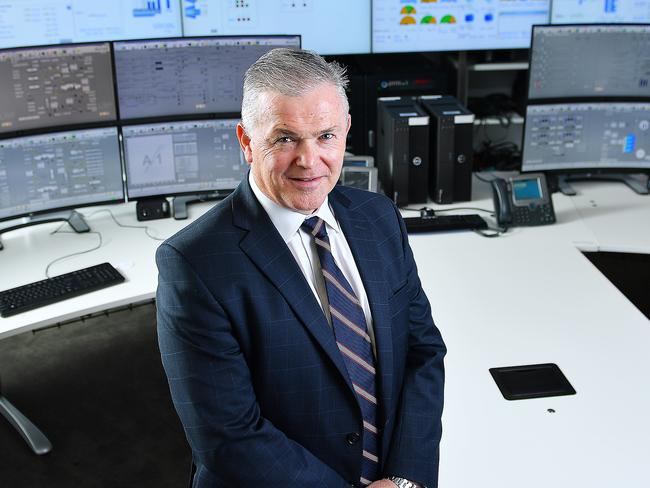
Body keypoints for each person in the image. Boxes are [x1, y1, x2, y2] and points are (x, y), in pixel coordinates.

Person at [156, 48, 446, 488]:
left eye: (326, 136)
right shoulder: (194, 264)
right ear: (247, 142)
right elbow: (228, 436)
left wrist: (406, 477)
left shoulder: (379, 218)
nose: (310, 161)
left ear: (346, 130)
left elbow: (422, 353)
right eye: (285, 138)